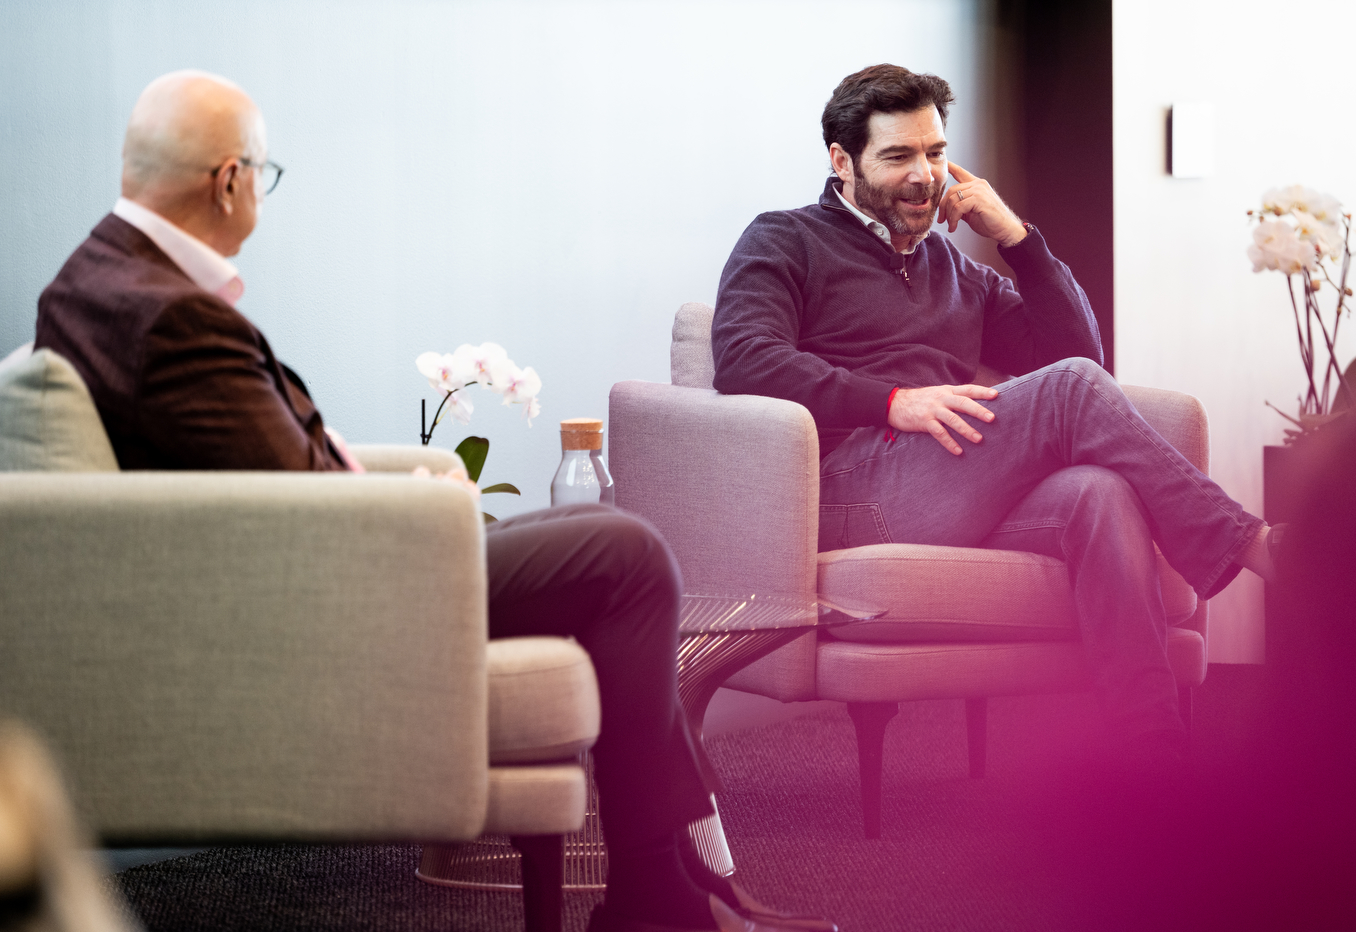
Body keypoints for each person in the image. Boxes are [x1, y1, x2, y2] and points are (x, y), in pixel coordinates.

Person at [33, 70, 833, 932]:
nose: (259, 198)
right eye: (263, 178)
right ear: (229, 181)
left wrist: (389, 494)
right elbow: (300, 521)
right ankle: (661, 895)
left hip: (309, 563)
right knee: (626, 556)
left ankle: (670, 886)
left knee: (597, 536)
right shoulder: (168, 315)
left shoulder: (100, 280)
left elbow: (254, 476)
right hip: (338, 591)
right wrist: (400, 514)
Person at [712, 63, 1279, 767]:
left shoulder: (956, 271)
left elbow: (1082, 358)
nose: (924, 175)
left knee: (1098, 495)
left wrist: (1016, 237)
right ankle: (1254, 546)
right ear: (842, 160)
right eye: (897, 156)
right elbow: (742, 359)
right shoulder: (784, 239)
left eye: (935, 153)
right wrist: (892, 401)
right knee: (1068, 390)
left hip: (946, 486)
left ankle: (1154, 760)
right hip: (847, 489)